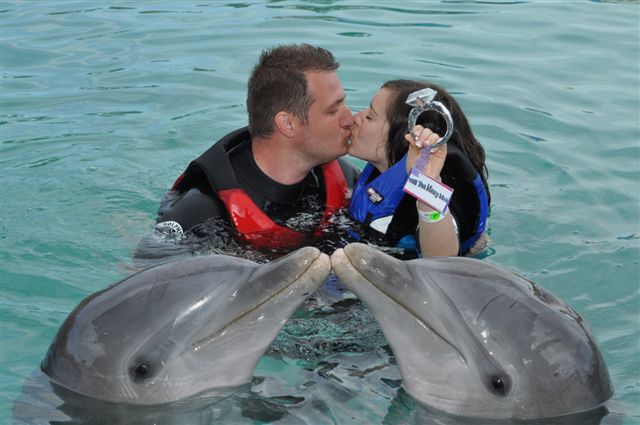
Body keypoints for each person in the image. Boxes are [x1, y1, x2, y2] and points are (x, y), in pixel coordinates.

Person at [154, 44, 359, 251]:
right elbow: (150, 277)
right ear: (287, 124)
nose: (351, 119)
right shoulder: (201, 212)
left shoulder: (347, 180)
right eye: (333, 110)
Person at [347, 79, 490, 257]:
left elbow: (442, 257)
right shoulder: (382, 168)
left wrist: (427, 185)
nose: (355, 118)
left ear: (403, 137)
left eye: (370, 117)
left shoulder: (445, 177)